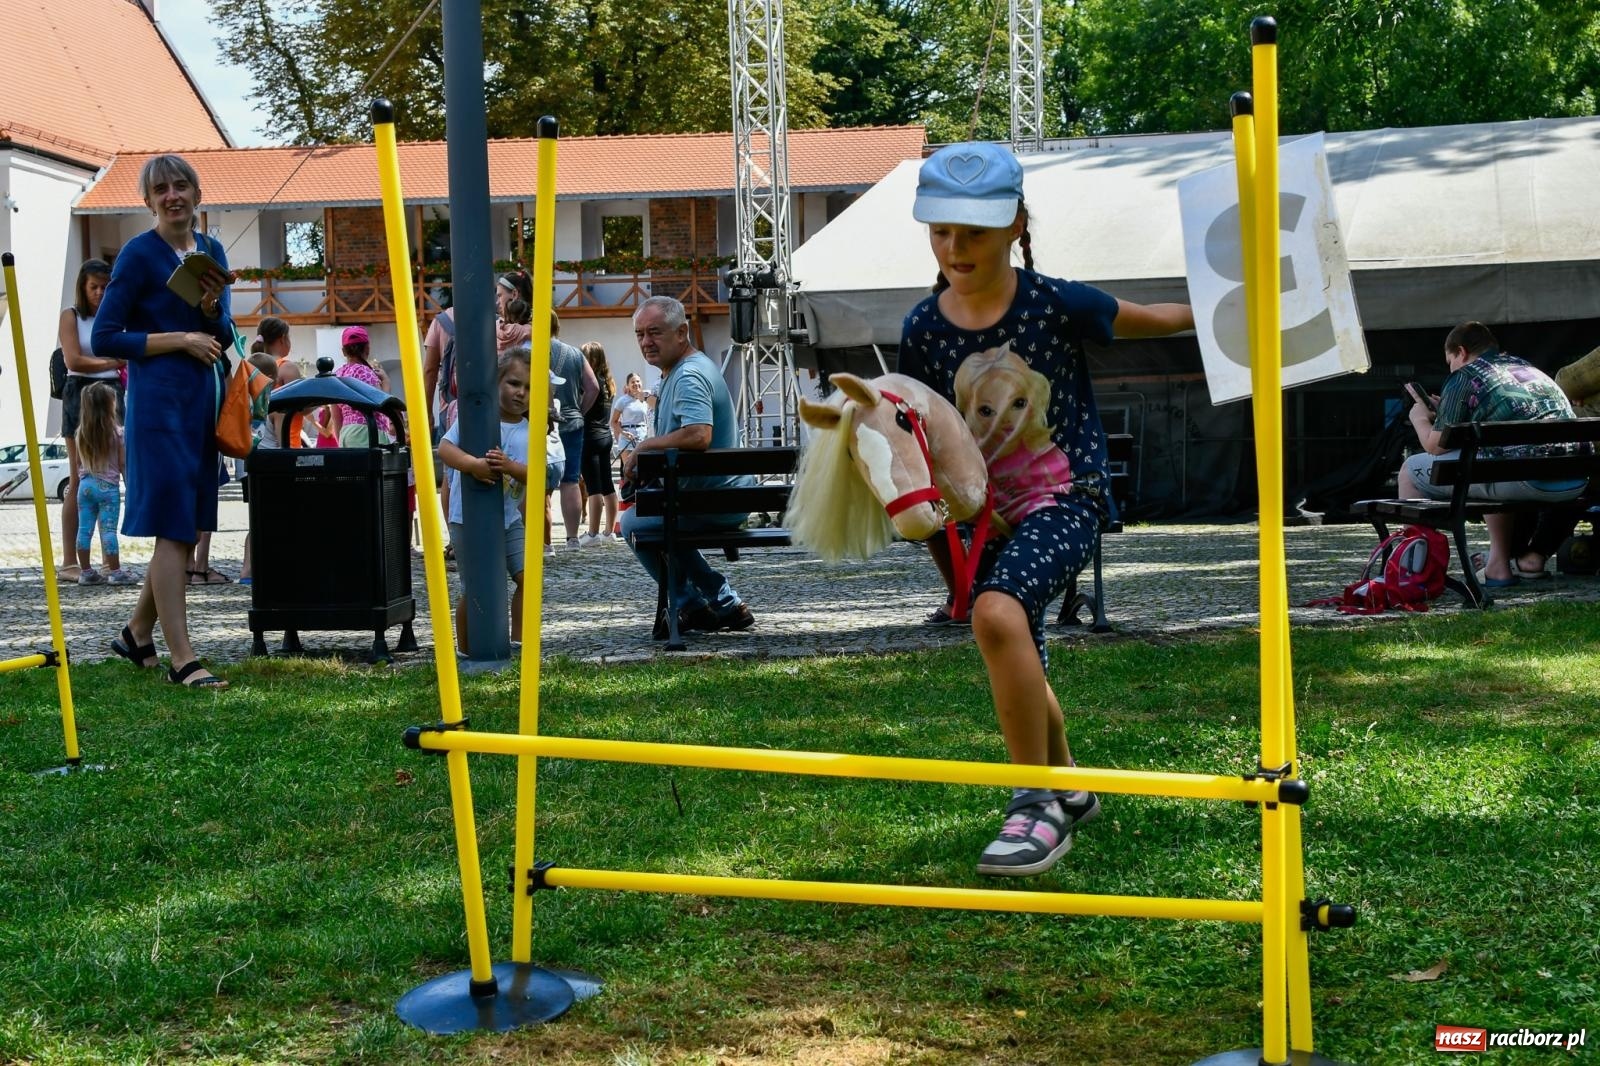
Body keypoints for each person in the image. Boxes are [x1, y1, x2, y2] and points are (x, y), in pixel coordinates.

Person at [896, 141, 1193, 876]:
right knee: (1008, 637)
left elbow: (1160, 316)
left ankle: (1036, 807)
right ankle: (1068, 784)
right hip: (983, 514)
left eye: (974, 230)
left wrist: (1245, 305)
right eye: (941, 230)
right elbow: (925, 439)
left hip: (1068, 497)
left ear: (1017, 223)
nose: (955, 247)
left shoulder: (1057, 302)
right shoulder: (922, 329)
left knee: (1000, 616)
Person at [92, 152, 234, 689]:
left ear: (197, 194)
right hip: (157, 402)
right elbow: (106, 337)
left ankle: (136, 633)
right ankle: (184, 659)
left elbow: (221, 331)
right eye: (161, 189)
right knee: (174, 526)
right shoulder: (136, 254)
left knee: (188, 520)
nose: (173, 196)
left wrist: (206, 314)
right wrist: (179, 338)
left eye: (181, 186)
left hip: (201, 396)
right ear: (148, 201)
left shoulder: (212, 249)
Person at [1399, 321, 1586, 587]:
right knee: (1489, 461)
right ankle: (1499, 564)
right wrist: (1447, 412)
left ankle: (1414, 574)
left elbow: (1434, 445)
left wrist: (1419, 418)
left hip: (1522, 479)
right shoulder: (1527, 368)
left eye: (1450, 361)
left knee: (1411, 470)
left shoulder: (1464, 376)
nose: (1451, 368)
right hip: (1573, 480)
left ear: (1461, 352)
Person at [620, 295, 756, 637]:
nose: (646, 342)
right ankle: (723, 603)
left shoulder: (689, 375)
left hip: (714, 500)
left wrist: (646, 446)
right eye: (640, 334)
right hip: (721, 496)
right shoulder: (683, 370)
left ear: (681, 332)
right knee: (655, 518)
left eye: (654, 332)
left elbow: (698, 435)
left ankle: (694, 604)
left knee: (634, 522)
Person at [439, 350, 532, 655]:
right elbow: (445, 448)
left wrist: (510, 467)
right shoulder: (478, 419)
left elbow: (538, 475)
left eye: (529, 388)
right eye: (514, 383)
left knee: (527, 577)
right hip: (468, 518)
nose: (521, 393)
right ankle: (465, 650)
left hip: (508, 519)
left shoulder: (531, 431)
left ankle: (518, 642)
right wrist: (472, 464)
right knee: (474, 585)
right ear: (497, 382)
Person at [57, 258, 123, 581]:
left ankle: (112, 562)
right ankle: (71, 561)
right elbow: (73, 359)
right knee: (78, 476)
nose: (99, 293)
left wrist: (112, 363)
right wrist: (112, 360)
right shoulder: (71, 316)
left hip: (111, 393)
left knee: (110, 477)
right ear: (83, 287)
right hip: (79, 393)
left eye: (104, 287)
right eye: (93, 287)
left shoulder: (114, 317)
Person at [71, 382, 136, 586]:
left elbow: (77, 462)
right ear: (110, 406)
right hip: (108, 488)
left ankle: (86, 572)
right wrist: (129, 484)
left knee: (84, 529)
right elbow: (123, 462)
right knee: (108, 530)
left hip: (85, 486)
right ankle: (115, 571)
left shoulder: (80, 433)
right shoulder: (117, 433)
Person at [578, 341, 618, 545]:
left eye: (584, 357)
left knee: (593, 488)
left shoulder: (589, 383)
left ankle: (592, 534)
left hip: (590, 438)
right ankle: (609, 532)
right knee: (608, 486)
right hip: (605, 437)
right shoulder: (608, 382)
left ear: (592, 359)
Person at [329, 325, 394, 447]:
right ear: (367, 348)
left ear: (343, 351)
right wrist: (386, 382)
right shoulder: (365, 372)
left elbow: (336, 417)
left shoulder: (338, 375)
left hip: (346, 433)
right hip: (368, 431)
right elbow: (380, 404)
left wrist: (341, 443)